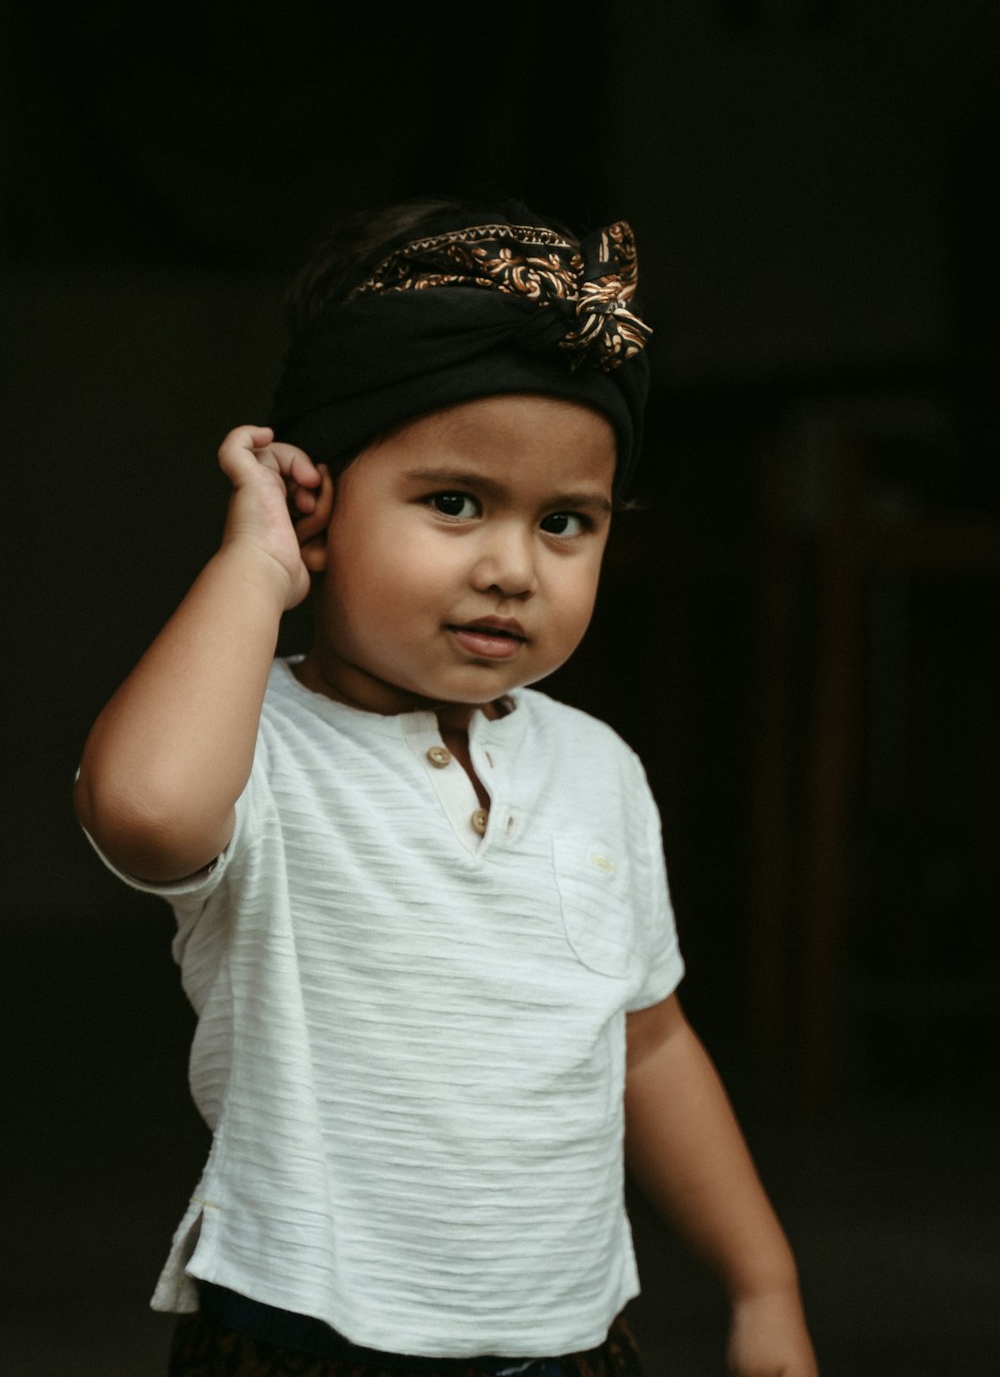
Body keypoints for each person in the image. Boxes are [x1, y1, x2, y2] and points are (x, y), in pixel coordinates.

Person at [74, 199, 819, 1377]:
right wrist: (255, 563)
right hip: (305, 1345)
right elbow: (148, 810)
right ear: (313, 500)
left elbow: (649, 1042)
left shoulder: (596, 770)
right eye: (455, 503)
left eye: (565, 522)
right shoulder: (252, 745)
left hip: (568, 1346)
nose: (511, 567)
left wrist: (762, 1280)